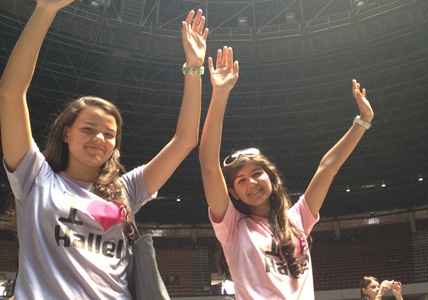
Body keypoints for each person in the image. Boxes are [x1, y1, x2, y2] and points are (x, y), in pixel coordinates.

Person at [0, 0, 208, 298]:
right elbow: (10, 94)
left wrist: (194, 67)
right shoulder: (34, 175)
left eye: (109, 134)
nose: (99, 138)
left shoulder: (127, 189)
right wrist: (44, 11)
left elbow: (186, 139)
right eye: (88, 129)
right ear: (67, 134)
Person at [199, 45, 375, 299]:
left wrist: (363, 121)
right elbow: (208, 165)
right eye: (241, 180)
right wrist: (220, 94)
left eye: (257, 173)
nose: (251, 182)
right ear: (234, 193)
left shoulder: (298, 219)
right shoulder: (232, 227)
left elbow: (327, 168)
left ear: (271, 177)